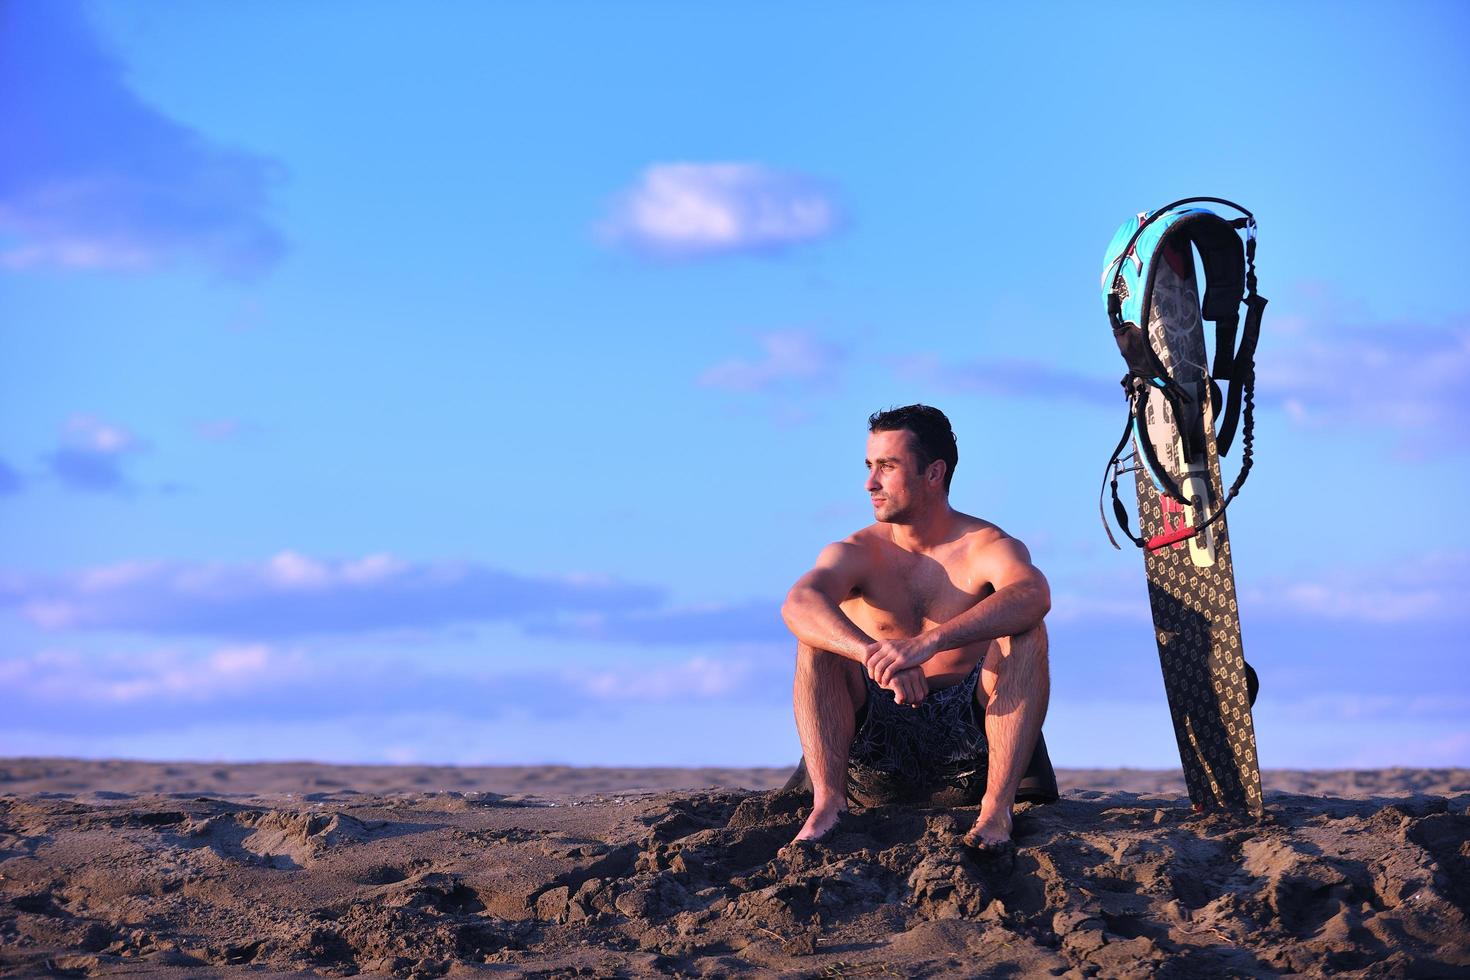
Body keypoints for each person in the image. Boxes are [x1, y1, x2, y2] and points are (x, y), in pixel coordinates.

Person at [781, 404, 1054, 852]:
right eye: (869, 467)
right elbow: (799, 603)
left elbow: (1033, 595)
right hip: (873, 750)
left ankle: (995, 811)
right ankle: (829, 805)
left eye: (887, 467)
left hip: (969, 749)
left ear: (934, 473)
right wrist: (875, 654)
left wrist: (927, 644)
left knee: (1026, 632)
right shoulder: (856, 550)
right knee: (816, 641)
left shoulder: (985, 545)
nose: (870, 483)